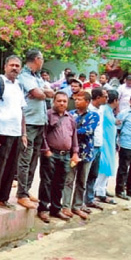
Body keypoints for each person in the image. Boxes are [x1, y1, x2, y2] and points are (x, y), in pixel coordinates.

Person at [0, 55, 26, 214]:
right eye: (12, 65)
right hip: (1, 132)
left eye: (17, 66)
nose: (15, 68)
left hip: (15, 133)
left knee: (10, 169)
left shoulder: (19, 86)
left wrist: (24, 134)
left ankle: (3, 198)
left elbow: (22, 111)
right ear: (5, 67)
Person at [16, 49, 53, 210]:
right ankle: (21, 194)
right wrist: (41, 92)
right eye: (42, 58)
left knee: (33, 159)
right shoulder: (24, 76)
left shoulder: (37, 77)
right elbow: (38, 94)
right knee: (25, 158)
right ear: (37, 59)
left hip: (40, 123)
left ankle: (27, 189)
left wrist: (42, 92)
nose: (43, 61)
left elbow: (49, 93)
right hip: (29, 123)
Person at [37, 92, 79, 223]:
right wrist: (46, 150)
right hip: (51, 153)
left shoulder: (70, 117)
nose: (62, 103)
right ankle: (43, 209)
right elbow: (42, 134)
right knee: (47, 182)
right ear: (54, 101)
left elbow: (74, 136)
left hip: (65, 155)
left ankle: (56, 209)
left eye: (64, 101)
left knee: (60, 182)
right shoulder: (48, 115)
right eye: (59, 101)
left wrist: (75, 153)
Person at [61, 91, 98, 220]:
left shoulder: (94, 115)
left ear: (87, 102)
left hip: (86, 152)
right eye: (76, 99)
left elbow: (89, 130)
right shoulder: (70, 114)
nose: (76, 102)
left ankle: (76, 206)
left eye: (80, 99)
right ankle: (65, 206)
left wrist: (72, 131)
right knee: (69, 180)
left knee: (82, 181)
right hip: (72, 153)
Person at [84, 87, 108, 210]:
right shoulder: (88, 110)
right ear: (98, 98)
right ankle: (81, 202)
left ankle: (89, 199)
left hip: (98, 145)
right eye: (105, 96)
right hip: (89, 145)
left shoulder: (101, 109)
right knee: (84, 174)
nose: (107, 99)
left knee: (93, 174)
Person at [95, 90, 119, 204]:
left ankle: (101, 191)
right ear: (115, 101)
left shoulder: (109, 111)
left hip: (110, 143)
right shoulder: (104, 111)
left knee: (106, 167)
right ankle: (99, 192)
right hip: (104, 143)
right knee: (103, 167)